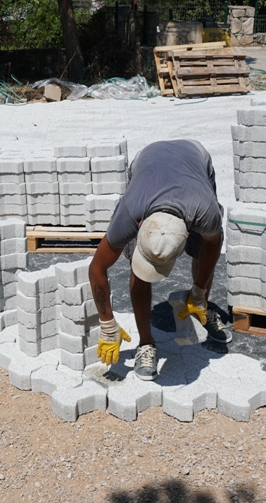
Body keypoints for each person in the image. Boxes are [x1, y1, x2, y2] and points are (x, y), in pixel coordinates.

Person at [87, 139, 230, 380]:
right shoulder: (131, 212)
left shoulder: (205, 212)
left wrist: (199, 292)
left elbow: (211, 248)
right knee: (137, 264)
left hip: (195, 158)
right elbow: (97, 267)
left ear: (187, 233)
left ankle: (199, 306)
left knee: (202, 250)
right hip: (147, 159)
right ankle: (146, 343)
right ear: (140, 225)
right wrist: (108, 325)